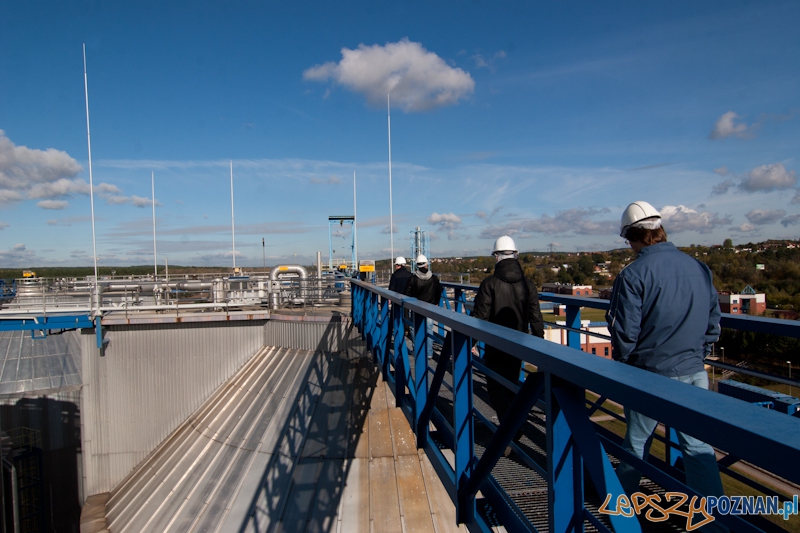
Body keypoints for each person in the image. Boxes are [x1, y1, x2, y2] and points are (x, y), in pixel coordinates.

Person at [607, 201, 726, 509]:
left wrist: (624, 365)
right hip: (694, 370)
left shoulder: (633, 275)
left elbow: (624, 333)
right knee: (698, 446)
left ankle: (624, 510)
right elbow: (713, 321)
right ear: (659, 230)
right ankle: (715, 521)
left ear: (632, 236)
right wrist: (699, 355)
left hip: (649, 373)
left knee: (636, 443)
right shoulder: (698, 267)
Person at [472, 236, 544, 424]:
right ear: (516, 255)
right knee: (511, 384)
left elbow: (480, 316)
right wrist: (540, 344)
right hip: (518, 343)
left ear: (496, 257)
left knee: (495, 388)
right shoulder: (528, 285)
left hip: (495, 345)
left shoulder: (489, 283)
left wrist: (470, 342)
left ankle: (511, 430)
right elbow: (535, 316)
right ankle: (515, 425)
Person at [404, 255, 442, 355]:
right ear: (426, 264)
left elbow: (407, 293)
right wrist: (436, 302)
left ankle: (417, 350)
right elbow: (438, 292)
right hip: (430, 306)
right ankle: (429, 352)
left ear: (417, 265)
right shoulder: (434, 279)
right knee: (429, 329)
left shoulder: (413, 278)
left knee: (414, 328)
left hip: (416, 307)